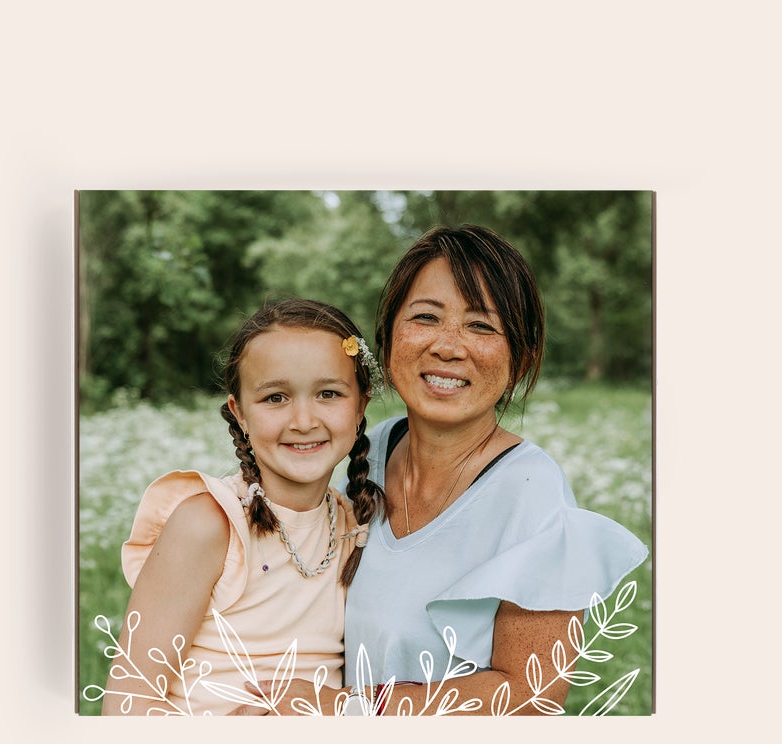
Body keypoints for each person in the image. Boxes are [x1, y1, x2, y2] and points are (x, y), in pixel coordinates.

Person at [250, 225, 648, 716]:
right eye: (425, 317)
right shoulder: (360, 453)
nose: (447, 345)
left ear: (520, 359)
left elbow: (529, 698)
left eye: (481, 326)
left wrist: (344, 709)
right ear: (388, 336)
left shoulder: (532, 495)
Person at [99, 298, 383, 715]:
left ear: (360, 407)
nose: (303, 419)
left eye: (328, 393)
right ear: (240, 414)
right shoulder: (210, 523)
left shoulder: (350, 524)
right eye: (275, 398)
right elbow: (130, 699)